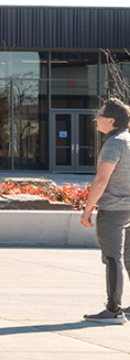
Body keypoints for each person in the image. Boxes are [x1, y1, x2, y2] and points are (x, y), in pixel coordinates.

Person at [80, 98, 130, 323]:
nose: (96, 119)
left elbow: (101, 180)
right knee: (127, 257)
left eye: (99, 116)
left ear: (111, 120)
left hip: (115, 209)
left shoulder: (113, 143)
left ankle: (113, 310)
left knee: (113, 258)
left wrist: (88, 208)